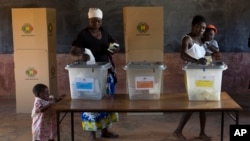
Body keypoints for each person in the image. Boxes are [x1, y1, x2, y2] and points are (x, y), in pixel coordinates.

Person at [70, 8, 119, 141]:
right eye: (92, 21)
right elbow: (73, 50)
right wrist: (81, 54)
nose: (95, 24)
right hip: (89, 72)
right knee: (90, 102)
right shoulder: (83, 34)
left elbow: (115, 44)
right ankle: (92, 134)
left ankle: (105, 130)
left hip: (105, 69)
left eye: (98, 21)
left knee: (106, 101)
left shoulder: (105, 32)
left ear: (101, 21)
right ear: (88, 21)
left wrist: (110, 50)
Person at [173, 15, 211, 141]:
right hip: (191, 76)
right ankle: (178, 131)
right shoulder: (187, 39)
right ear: (193, 26)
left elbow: (203, 56)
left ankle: (202, 133)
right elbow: (182, 55)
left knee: (202, 104)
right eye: (199, 26)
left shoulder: (201, 41)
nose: (201, 29)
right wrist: (197, 61)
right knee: (194, 103)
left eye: (204, 28)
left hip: (202, 75)